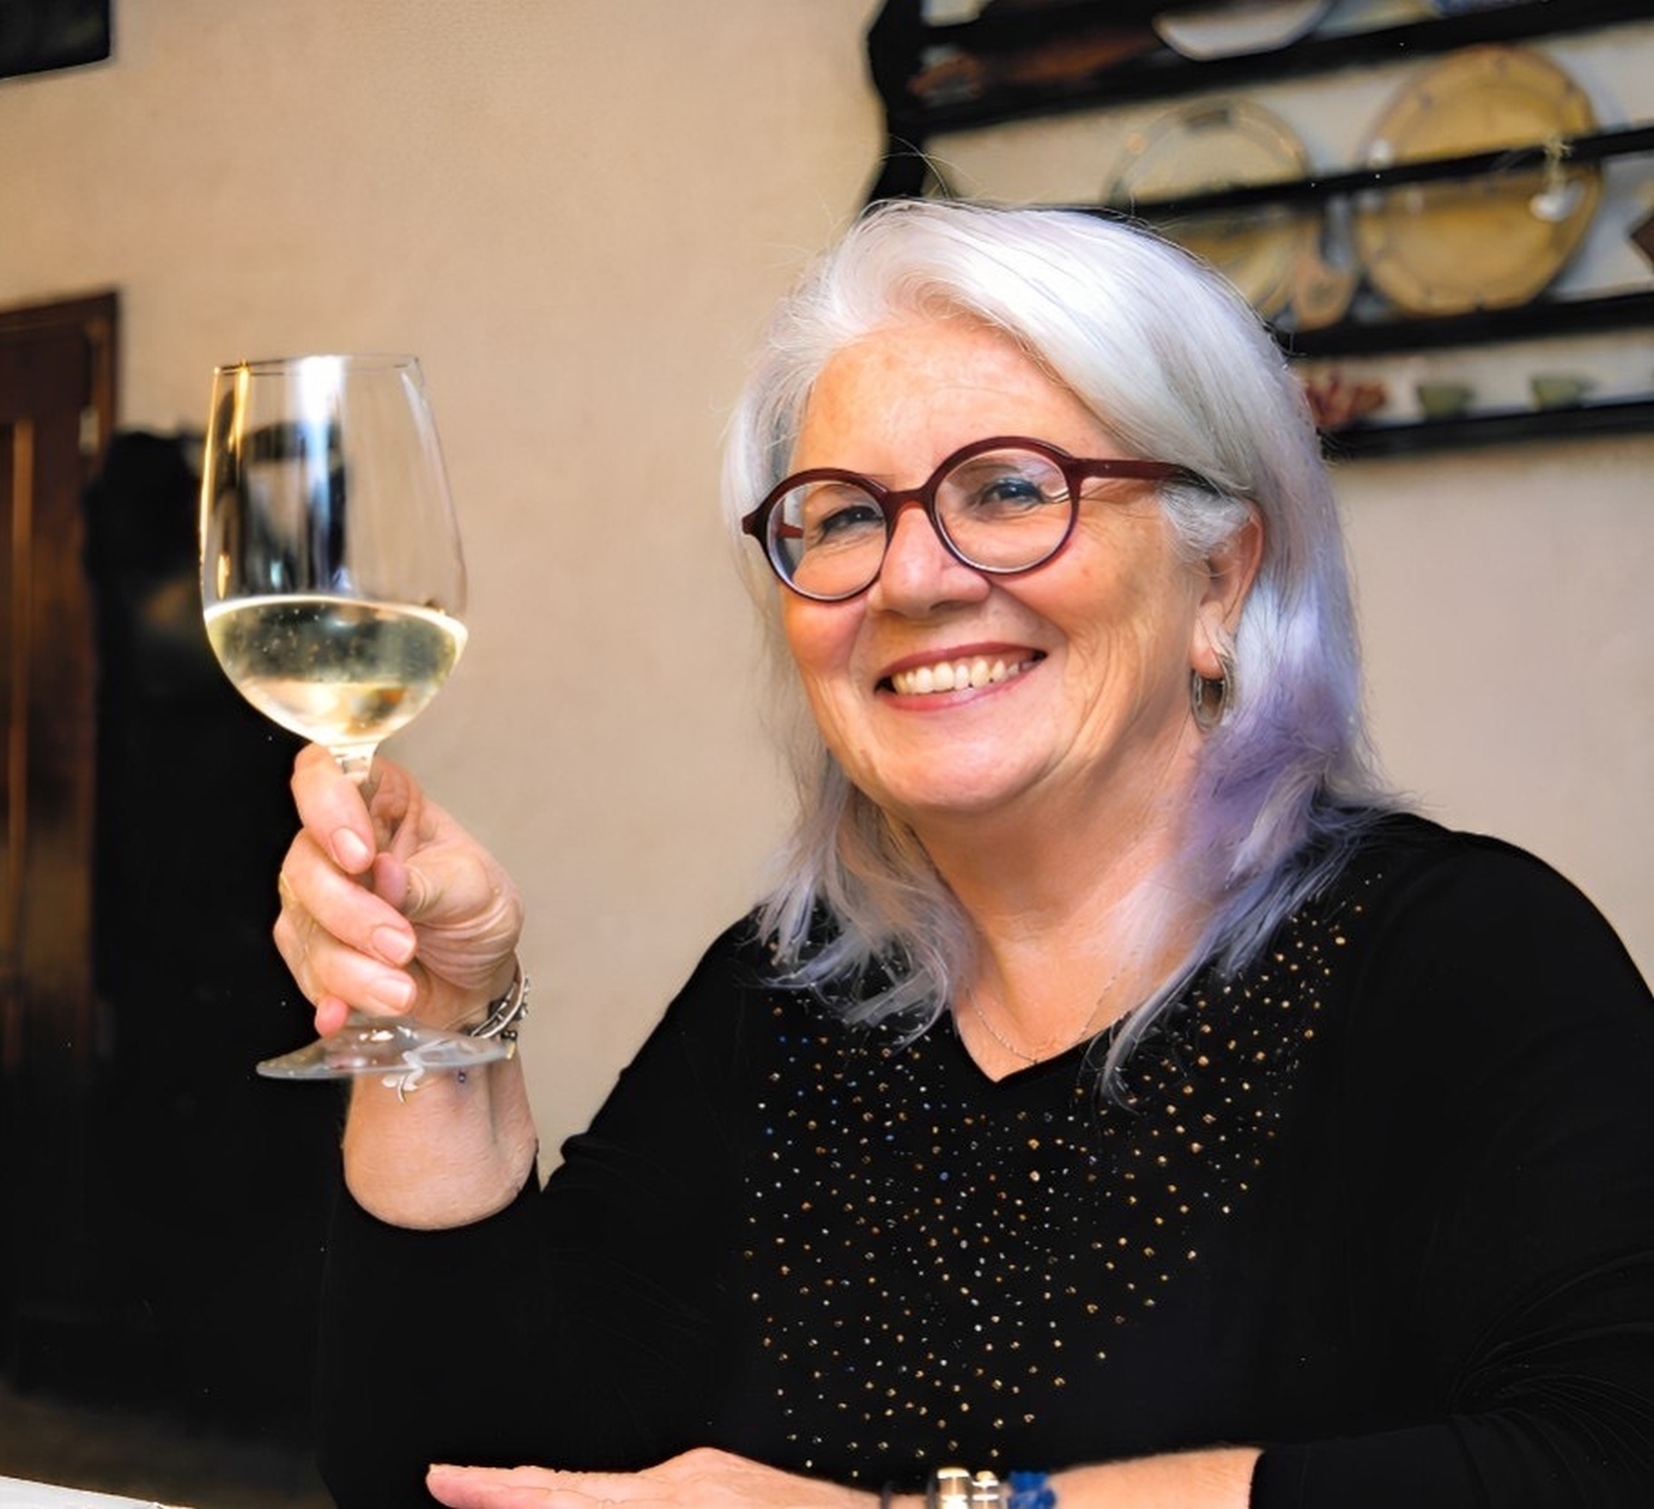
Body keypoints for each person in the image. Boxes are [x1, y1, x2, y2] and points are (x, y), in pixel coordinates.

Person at [273, 201, 1654, 1509]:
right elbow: (461, 1475)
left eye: (1006, 489)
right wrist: (436, 1028)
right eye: (844, 513)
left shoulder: (1467, 959)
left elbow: (1606, 1462)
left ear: (1219, 578)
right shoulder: (792, 993)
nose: (914, 578)